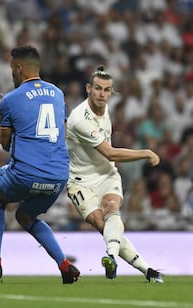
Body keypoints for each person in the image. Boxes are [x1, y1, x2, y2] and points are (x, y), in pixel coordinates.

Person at [0, 45, 80, 284]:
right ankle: (64, 265)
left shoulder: (10, 99)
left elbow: (5, 145)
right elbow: (62, 133)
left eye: (12, 69)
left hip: (27, 174)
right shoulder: (59, 94)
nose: (11, 73)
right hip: (59, 176)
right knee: (24, 215)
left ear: (19, 68)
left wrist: (4, 116)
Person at [66, 65, 163, 283]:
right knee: (104, 225)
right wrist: (145, 152)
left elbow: (108, 154)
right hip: (80, 182)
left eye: (107, 90)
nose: (102, 94)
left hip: (107, 175)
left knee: (112, 207)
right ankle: (148, 270)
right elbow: (110, 152)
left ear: (111, 92)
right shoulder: (80, 119)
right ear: (88, 88)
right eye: (98, 89)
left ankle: (112, 258)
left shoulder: (105, 107)